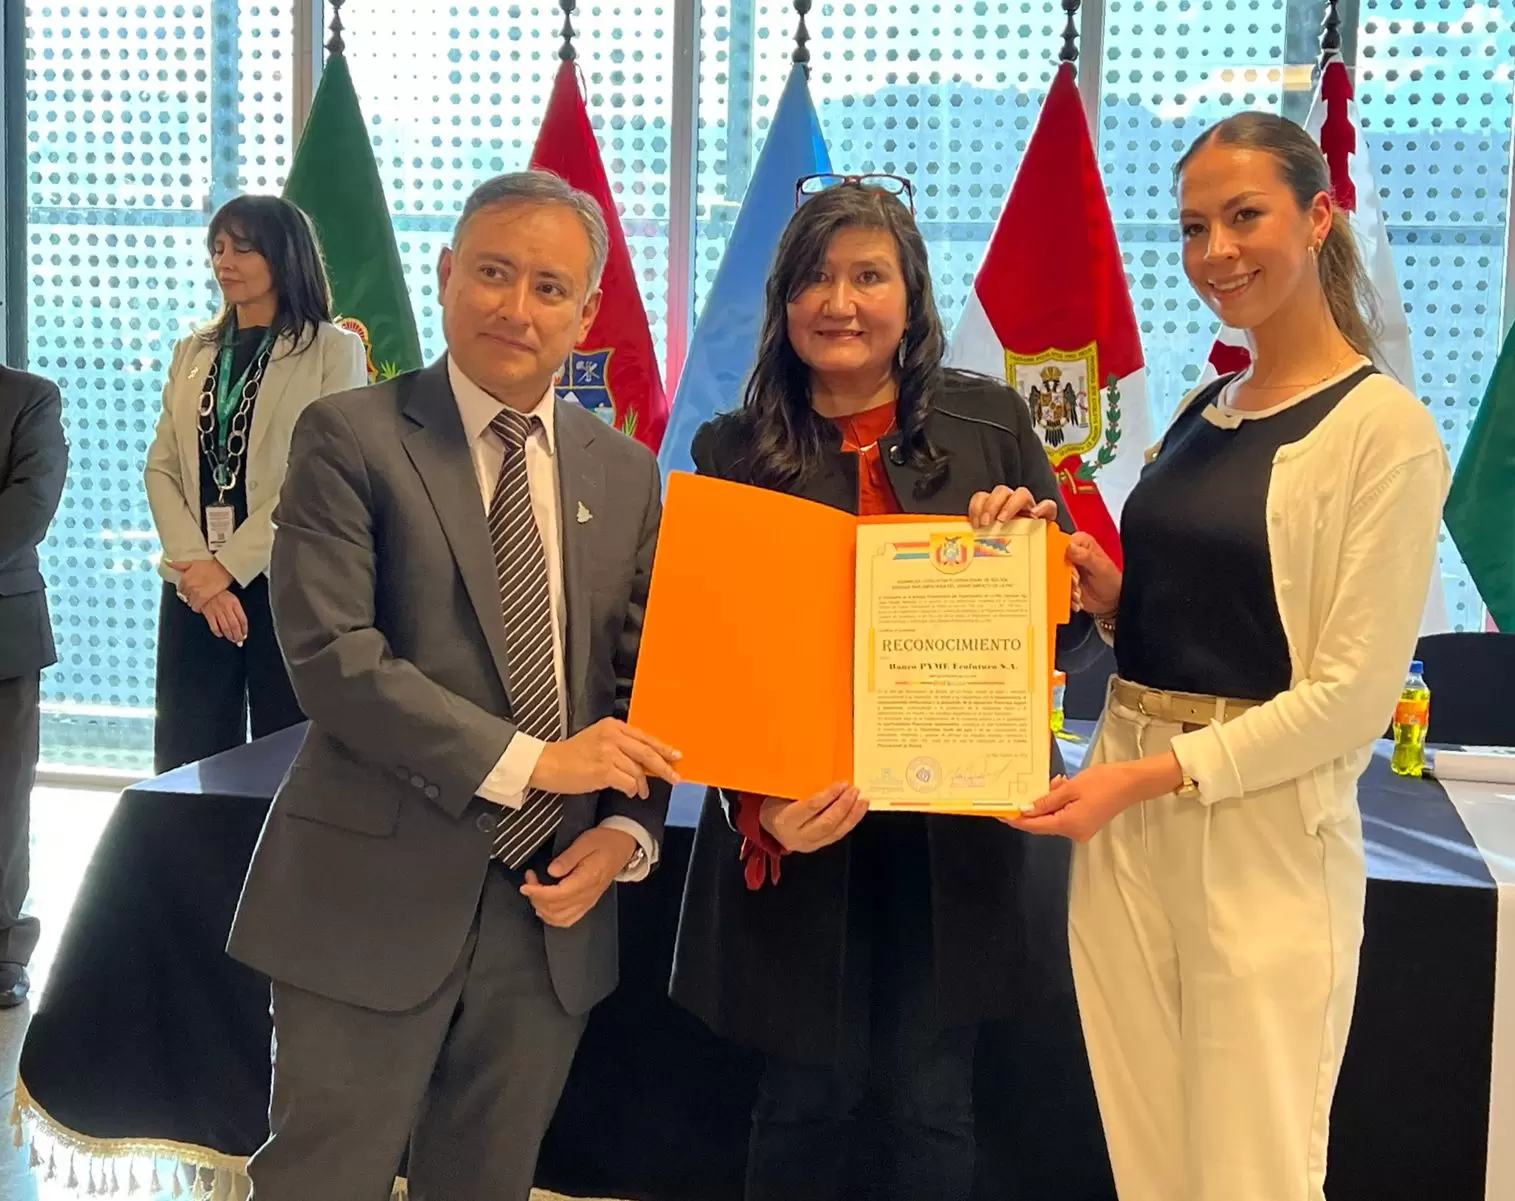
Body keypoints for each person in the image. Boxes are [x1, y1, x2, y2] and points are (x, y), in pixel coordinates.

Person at [1005, 112, 1451, 1201]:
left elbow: (1349, 698)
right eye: (1195, 226)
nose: (1216, 252)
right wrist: (1117, 603)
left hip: (1258, 827)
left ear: (1318, 215)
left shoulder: (1383, 431)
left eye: (1245, 216)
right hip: (1128, 796)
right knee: (1149, 1152)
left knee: (1252, 1165)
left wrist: (1149, 777)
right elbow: (1206, 623)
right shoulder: (1204, 409)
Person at [227, 169, 679, 1201]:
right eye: (492, 272)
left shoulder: (625, 471)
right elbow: (333, 658)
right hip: (368, 901)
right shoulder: (349, 435)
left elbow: (643, 678)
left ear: (586, 315)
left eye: (549, 288)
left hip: (551, 914)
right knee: (319, 1182)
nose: (516, 307)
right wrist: (537, 764)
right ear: (444, 275)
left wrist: (627, 828)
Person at [669, 176, 1102, 1201]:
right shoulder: (732, 450)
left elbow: (1072, 632)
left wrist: (1036, 565)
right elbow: (711, 664)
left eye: (869, 276)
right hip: (799, 822)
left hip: (953, 831)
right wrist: (759, 811)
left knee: (928, 1100)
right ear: (783, 301)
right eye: (815, 279)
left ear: (911, 298)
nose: (841, 302)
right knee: (801, 1100)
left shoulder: (991, 421)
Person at [144, 195, 367, 773]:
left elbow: (320, 477)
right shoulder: (194, 351)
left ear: (283, 255)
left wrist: (230, 566)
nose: (225, 261)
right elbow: (162, 466)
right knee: (188, 756)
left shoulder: (332, 349)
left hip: (285, 581)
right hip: (195, 585)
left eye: (243, 249)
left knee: (287, 756)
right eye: (218, 248)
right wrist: (201, 570)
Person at [0, 365, 68, 1009]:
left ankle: (2, 949)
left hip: (4, 632)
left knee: (3, 796)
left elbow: (30, 505)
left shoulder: (29, 397)